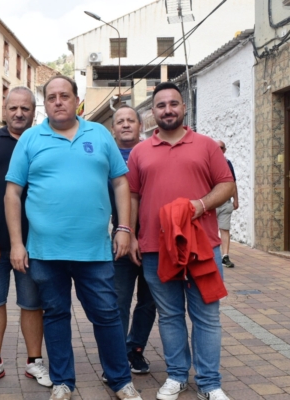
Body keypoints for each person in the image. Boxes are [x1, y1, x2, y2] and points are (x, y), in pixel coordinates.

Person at [5, 75, 142, 400]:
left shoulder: (99, 134)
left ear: (76, 100)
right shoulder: (30, 139)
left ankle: (120, 379)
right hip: (45, 251)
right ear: (45, 103)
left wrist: (124, 228)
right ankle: (63, 380)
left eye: (64, 96)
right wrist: (16, 243)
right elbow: (13, 193)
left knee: (107, 314)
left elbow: (121, 183)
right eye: (51, 97)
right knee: (55, 314)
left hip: (94, 250)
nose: (58, 101)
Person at [126, 82, 235, 400]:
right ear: (152, 113)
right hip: (155, 248)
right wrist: (131, 234)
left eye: (174, 103)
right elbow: (132, 196)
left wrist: (199, 205)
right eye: (161, 105)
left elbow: (226, 184)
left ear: (184, 108)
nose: (168, 110)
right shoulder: (139, 152)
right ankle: (176, 376)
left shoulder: (206, 146)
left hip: (203, 246)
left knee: (207, 315)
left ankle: (210, 382)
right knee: (170, 314)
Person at [0, 87, 51, 388]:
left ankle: (35, 363)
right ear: (3, 110)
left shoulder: (44, 140)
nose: (19, 113)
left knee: (33, 304)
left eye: (26, 108)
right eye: (13, 108)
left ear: (35, 111)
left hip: (34, 241)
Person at [108, 106, 156, 376]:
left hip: (153, 242)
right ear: (113, 128)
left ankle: (134, 349)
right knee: (118, 302)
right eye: (120, 121)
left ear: (141, 125)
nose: (125, 125)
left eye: (130, 121)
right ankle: (115, 360)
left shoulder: (152, 152)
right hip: (120, 241)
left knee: (149, 301)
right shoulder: (106, 156)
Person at [215, 140, 239, 269]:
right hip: (211, 203)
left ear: (225, 150)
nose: (218, 150)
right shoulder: (207, 162)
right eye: (216, 147)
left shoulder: (228, 163)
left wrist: (236, 199)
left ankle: (225, 256)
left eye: (221, 148)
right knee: (210, 230)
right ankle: (211, 256)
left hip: (225, 203)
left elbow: (233, 182)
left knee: (224, 229)